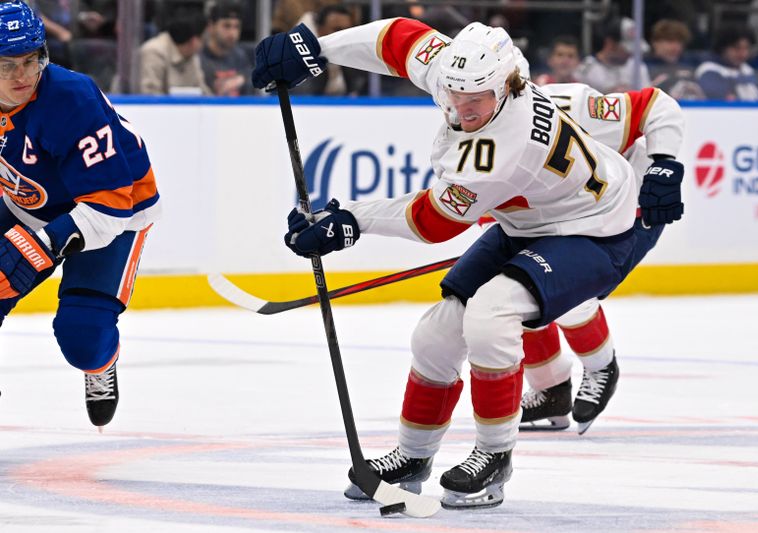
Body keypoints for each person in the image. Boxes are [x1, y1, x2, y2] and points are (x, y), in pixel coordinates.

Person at [252, 17, 683, 508]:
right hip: (530, 226)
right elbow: (398, 40)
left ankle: (495, 457)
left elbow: (434, 222)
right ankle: (413, 457)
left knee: (492, 314)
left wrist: (350, 219)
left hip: (600, 233)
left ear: (507, 88)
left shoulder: (501, 148)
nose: (459, 109)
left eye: (473, 100)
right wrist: (316, 48)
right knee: (435, 334)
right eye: (452, 94)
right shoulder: (471, 80)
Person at [0, 2, 161, 427]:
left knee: (81, 336)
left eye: (30, 61)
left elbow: (108, 205)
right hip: (26, 202)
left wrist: (38, 247)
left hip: (114, 210)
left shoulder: (70, 98)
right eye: (6, 65)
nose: (22, 76)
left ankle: (99, 364)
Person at [516, 82, 684, 433]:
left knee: (573, 294)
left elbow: (656, 105)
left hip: (631, 214)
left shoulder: (577, 108)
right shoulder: (481, 134)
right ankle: (551, 391)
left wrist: (663, 163)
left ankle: (600, 365)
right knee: (514, 288)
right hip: (568, 218)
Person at [138, 10, 210, 95]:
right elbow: (150, 96)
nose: (205, 44)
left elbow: (203, 93)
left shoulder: (191, 56)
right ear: (193, 41)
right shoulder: (153, 52)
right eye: (203, 39)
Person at [695, 24, 758, 101]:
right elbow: (721, 99)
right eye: (737, 48)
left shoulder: (747, 70)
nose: (743, 54)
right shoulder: (708, 70)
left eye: (746, 48)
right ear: (722, 48)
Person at [576, 17, 652, 92]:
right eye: (626, 50)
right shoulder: (587, 69)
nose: (630, 54)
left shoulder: (638, 67)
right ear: (610, 43)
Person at [200, 1, 253, 97]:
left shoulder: (240, 57)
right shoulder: (199, 59)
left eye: (236, 27)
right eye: (226, 26)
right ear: (211, 27)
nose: (232, 33)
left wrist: (243, 79)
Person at [644, 19, 705, 100]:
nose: (676, 47)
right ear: (655, 42)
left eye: (679, 42)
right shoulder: (643, 66)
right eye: (670, 41)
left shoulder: (692, 64)